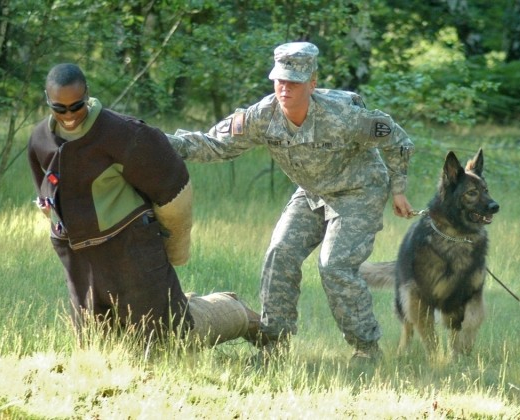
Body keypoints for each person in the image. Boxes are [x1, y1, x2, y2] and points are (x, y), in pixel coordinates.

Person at [167, 42, 415, 363]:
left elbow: (397, 139)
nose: (285, 88)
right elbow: (216, 144)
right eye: (279, 80)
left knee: (334, 265)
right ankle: (274, 346)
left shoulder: (343, 115)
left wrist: (398, 189)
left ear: (312, 82)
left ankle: (366, 349)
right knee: (279, 254)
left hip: (358, 191)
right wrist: (158, 142)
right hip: (312, 192)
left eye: (294, 82)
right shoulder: (262, 116)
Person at [28, 63, 259, 346]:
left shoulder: (123, 134)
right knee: (97, 348)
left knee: (170, 338)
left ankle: (236, 312)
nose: (69, 116)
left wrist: (177, 248)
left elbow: (174, 189)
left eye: (76, 106)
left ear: (87, 94)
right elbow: (47, 197)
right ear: (47, 99)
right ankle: (175, 303)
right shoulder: (39, 140)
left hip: (131, 252)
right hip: (79, 260)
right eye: (59, 108)